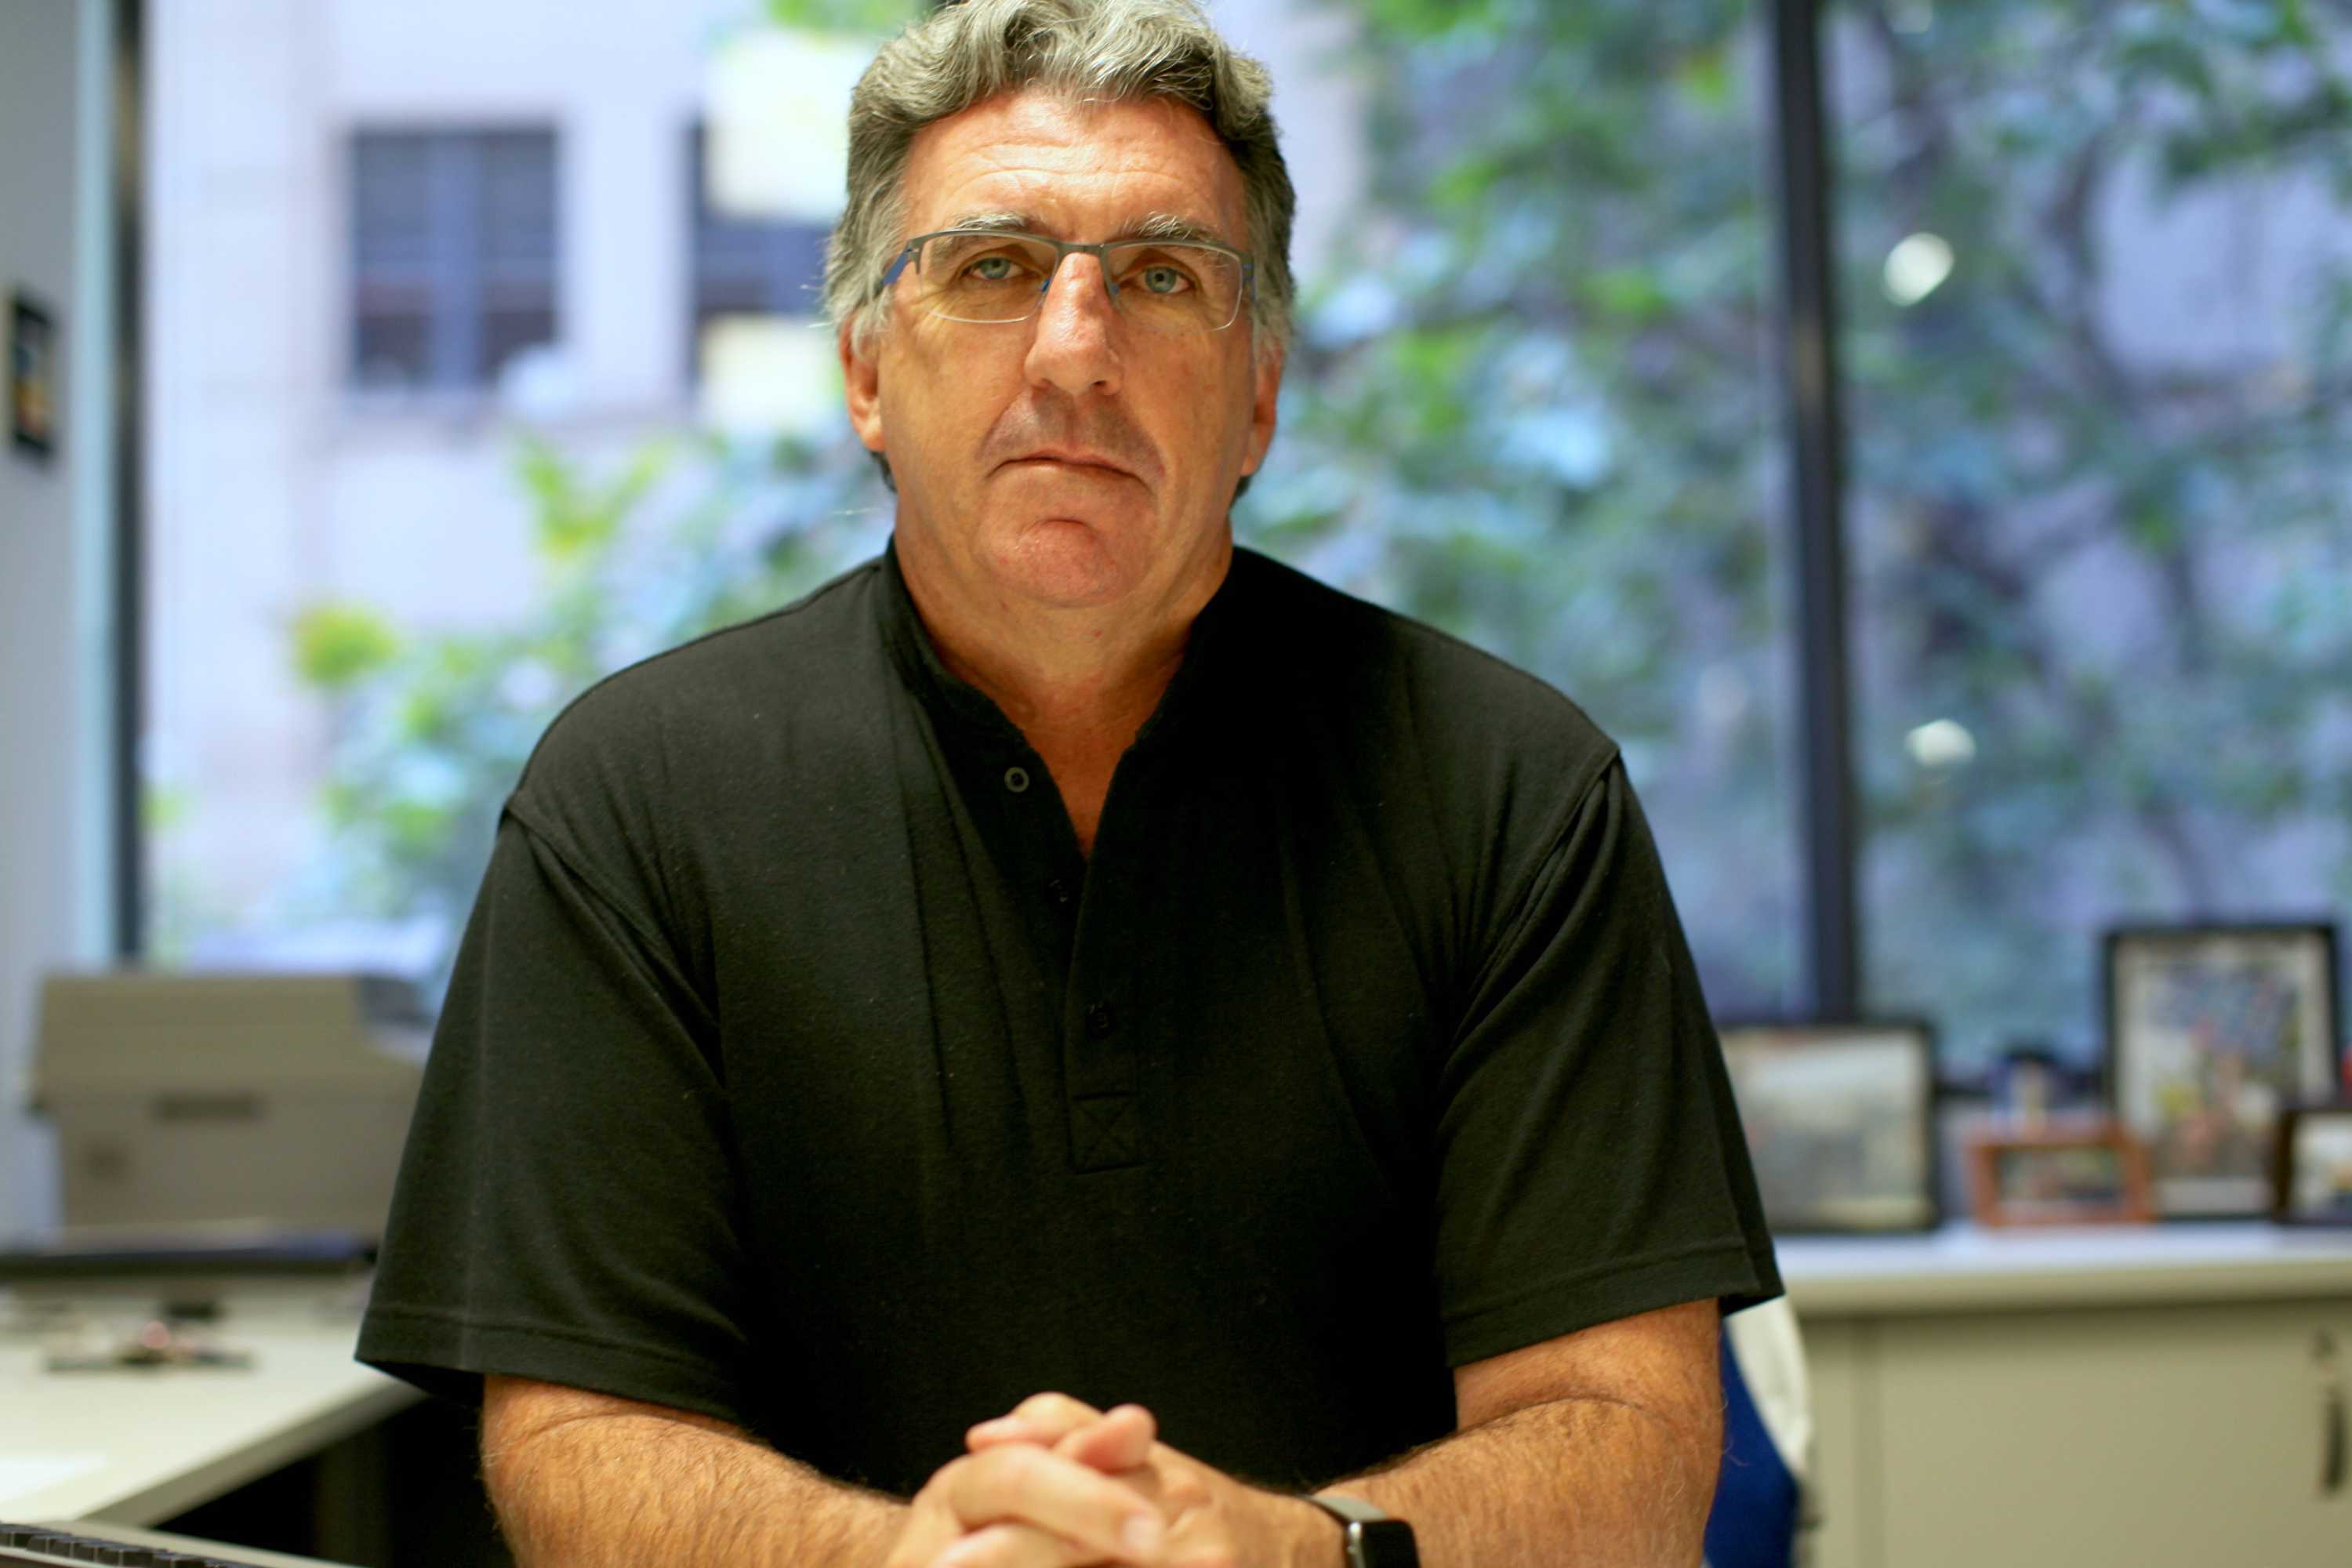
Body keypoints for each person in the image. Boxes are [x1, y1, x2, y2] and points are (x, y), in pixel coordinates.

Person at [355, 2, 1784, 1564]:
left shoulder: (1512, 787)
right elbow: (572, 1438)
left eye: (1164, 277)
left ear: (1258, 394)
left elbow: (1633, 1445)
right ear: (865, 374)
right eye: (993, 267)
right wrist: (904, 1563)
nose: (1075, 350)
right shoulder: (631, 801)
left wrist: (1294, 1551)